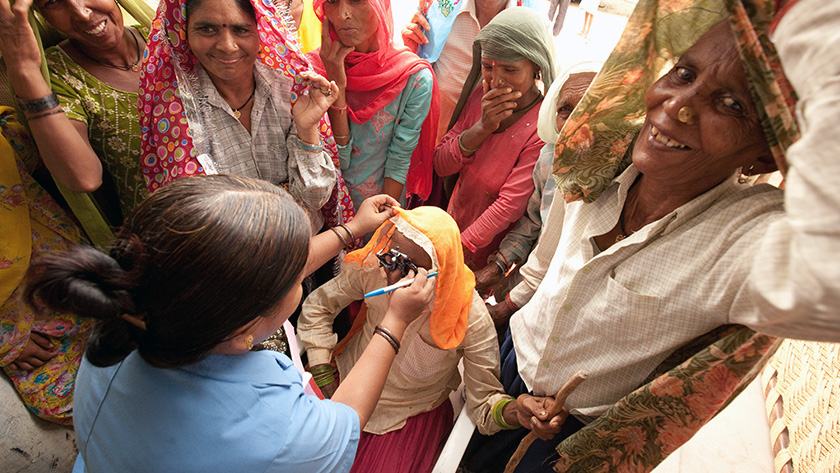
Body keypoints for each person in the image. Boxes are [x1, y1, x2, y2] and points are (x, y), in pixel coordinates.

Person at [462, 0, 840, 469]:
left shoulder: (741, 245)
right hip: (508, 365)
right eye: (683, 74)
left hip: (564, 437)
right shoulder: (595, 155)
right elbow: (545, 265)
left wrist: (807, 20)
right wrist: (496, 314)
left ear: (763, 158)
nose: (678, 106)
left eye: (730, 104)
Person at [26, 175, 434, 473]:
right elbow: (344, 419)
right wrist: (393, 323)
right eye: (296, 280)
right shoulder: (275, 429)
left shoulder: (126, 320)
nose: (300, 276)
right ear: (244, 334)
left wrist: (351, 230)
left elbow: (249, 276)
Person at [297, 206, 564, 473]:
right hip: (343, 384)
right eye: (392, 258)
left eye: (409, 268)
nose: (393, 275)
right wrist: (322, 371)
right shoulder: (375, 270)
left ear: (440, 273)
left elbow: (483, 402)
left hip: (405, 415)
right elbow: (319, 307)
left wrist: (516, 411)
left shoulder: (469, 317)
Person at [140, 0, 345, 232]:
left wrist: (307, 129)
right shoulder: (175, 109)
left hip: (311, 245)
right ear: (183, 33)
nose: (227, 46)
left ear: (261, 31)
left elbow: (315, 198)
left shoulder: (289, 88)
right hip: (240, 261)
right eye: (207, 29)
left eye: (241, 30)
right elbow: (200, 219)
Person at [0, 0, 149, 230]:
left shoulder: (168, 34)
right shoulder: (58, 75)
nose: (82, 13)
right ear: (40, 15)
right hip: (168, 237)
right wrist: (26, 71)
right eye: (52, 2)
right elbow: (84, 177)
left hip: (225, 202)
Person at [433, 7, 555, 270]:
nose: (497, 80)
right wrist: (481, 128)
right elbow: (442, 164)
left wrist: (458, 247)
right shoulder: (479, 99)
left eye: (510, 70)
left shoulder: (539, 128)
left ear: (536, 67)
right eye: (487, 67)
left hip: (482, 250)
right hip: (452, 227)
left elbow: (509, 205)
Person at [473, 62, 600, 309]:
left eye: (591, 109)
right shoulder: (549, 159)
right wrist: (498, 265)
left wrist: (508, 306)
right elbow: (533, 223)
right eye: (566, 110)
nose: (576, 122)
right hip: (528, 284)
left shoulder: (619, 180)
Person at [0, 108, 95, 425]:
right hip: (20, 321)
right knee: (71, 404)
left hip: (71, 273)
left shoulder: (6, 130)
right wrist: (5, 339)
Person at [307, 0, 439, 209]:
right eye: (331, 1)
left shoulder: (413, 78)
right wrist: (337, 87)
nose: (343, 14)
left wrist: (381, 227)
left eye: (356, 0)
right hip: (323, 207)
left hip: (381, 207)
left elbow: (399, 161)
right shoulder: (311, 72)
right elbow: (338, 161)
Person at [401, 0, 539, 141]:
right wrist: (411, 52)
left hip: (489, 136)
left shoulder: (532, 20)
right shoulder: (439, 8)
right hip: (428, 126)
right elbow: (417, 64)